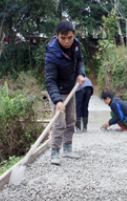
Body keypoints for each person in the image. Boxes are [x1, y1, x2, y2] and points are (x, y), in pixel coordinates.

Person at [45, 20, 86, 165]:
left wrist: (81, 73)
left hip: (71, 89)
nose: (67, 41)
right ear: (57, 36)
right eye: (63, 38)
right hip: (57, 91)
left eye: (70, 37)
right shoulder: (52, 54)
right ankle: (55, 152)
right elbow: (50, 80)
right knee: (60, 122)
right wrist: (57, 100)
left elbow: (80, 60)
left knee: (71, 120)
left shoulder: (76, 45)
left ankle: (68, 148)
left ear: (73, 35)